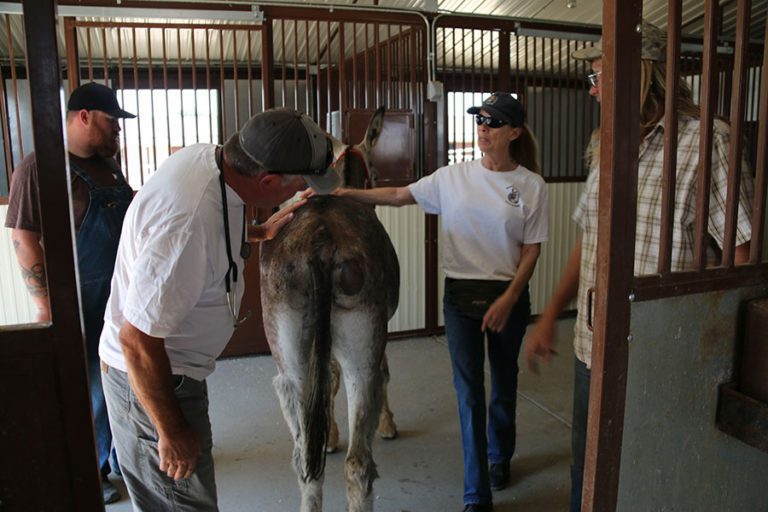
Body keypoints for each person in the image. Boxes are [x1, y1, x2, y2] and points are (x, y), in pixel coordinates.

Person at [524, 21, 755, 512]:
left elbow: (740, 253)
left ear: (640, 73)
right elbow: (592, 242)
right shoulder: (605, 146)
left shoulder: (707, 141)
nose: (592, 89)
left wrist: (723, 351)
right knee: (587, 471)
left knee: (650, 474)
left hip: (665, 349)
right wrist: (549, 317)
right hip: (594, 343)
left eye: (599, 74)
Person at [98, 107, 341, 511]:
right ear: (266, 180)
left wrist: (257, 231)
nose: (299, 192)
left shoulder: (210, 160)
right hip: (152, 378)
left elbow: (203, 234)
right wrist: (171, 429)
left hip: (177, 371)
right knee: (182, 504)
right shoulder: (188, 222)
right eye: (299, 184)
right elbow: (136, 340)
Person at [332, 93, 549, 512]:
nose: (483, 128)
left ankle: (500, 456)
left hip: (507, 298)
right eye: (480, 120)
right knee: (468, 394)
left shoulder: (530, 185)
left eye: (494, 122)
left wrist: (510, 297)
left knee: (503, 387)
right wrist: (345, 195)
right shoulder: (453, 177)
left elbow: (532, 250)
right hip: (461, 299)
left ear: (515, 132)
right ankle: (476, 493)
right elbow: (398, 195)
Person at [5, 81, 136, 504]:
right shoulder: (38, 168)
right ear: (83, 117)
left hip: (120, 297)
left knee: (124, 382)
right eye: (111, 122)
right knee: (89, 392)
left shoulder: (110, 168)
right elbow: (25, 238)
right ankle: (91, 471)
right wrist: (48, 306)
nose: (118, 131)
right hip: (78, 300)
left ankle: (119, 458)